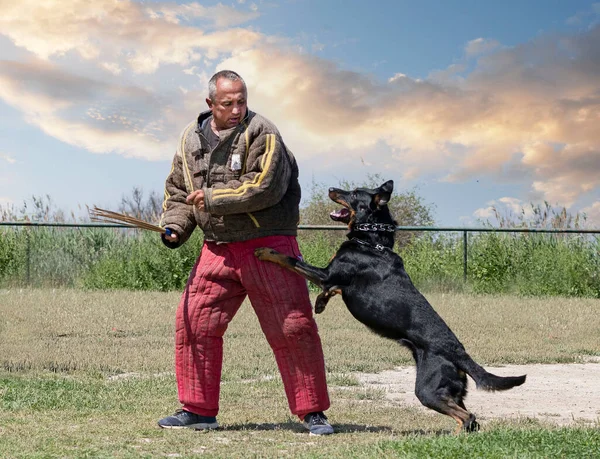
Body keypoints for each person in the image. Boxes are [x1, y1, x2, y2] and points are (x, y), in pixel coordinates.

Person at [157, 70, 333, 435]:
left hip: (267, 244)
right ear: (210, 104)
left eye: (242, 101)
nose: (237, 109)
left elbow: (264, 187)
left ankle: (312, 411)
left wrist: (212, 198)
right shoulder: (190, 139)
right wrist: (175, 227)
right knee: (194, 321)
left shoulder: (264, 133)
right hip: (218, 246)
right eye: (228, 103)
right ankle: (198, 410)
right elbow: (180, 190)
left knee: (293, 327)